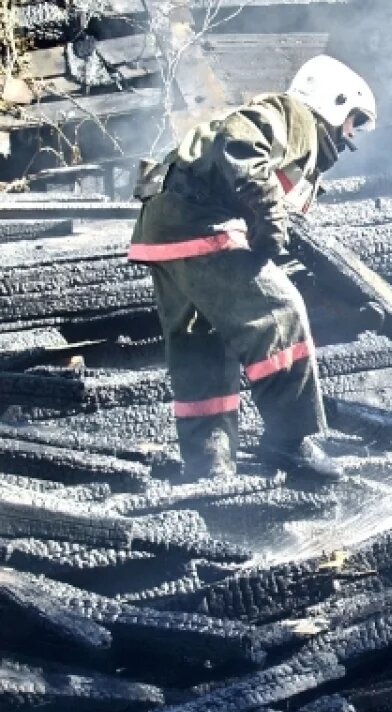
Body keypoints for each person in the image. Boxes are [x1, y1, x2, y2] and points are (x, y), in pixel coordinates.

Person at [128, 55, 376, 483]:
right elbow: (239, 142)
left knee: (201, 347)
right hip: (201, 222)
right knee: (280, 316)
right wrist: (270, 218)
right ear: (334, 104)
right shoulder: (293, 116)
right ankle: (289, 440)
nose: (351, 135)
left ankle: (208, 466)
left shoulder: (301, 151)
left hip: (163, 230)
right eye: (353, 120)